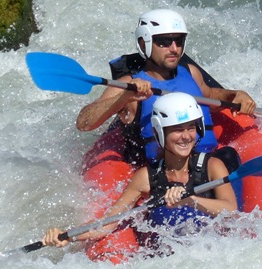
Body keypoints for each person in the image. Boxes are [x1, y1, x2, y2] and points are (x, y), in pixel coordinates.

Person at [44, 93, 238, 248]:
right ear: (160, 132)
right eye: (177, 129)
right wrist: (68, 236)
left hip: (213, 252)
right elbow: (109, 222)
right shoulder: (146, 177)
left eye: (191, 128)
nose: (186, 136)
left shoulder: (212, 166)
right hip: (170, 263)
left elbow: (231, 211)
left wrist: (190, 200)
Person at [75, 9, 257, 163]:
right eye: (164, 41)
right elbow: (84, 123)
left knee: (229, 157)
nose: (174, 48)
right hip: (161, 174)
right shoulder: (126, 85)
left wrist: (235, 95)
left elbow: (210, 95)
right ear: (143, 43)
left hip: (204, 164)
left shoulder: (191, 72)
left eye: (179, 41)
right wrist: (124, 98)